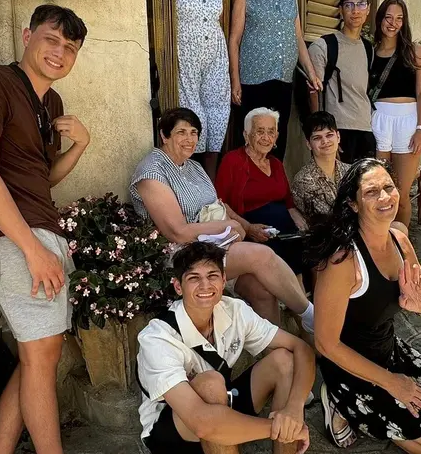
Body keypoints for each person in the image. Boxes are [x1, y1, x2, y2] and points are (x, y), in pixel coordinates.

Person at [0, 5, 127, 454]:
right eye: (52, 39)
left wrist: (81, 146)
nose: (59, 52)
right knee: (42, 357)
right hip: (16, 238)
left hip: (36, 228)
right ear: (28, 35)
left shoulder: (48, 101)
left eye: (71, 48)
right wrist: (32, 249)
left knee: (39, 358)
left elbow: (41, 180)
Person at [137, 242, 337, 454]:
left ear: (222, 279)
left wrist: (294, 410)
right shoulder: (157, 337)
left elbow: (300, 349)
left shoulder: (233, 310)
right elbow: (202, 421)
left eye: (213, 276)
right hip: (174, 436)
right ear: (177, 286)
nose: (206, 286)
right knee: (209, 384)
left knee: (283, 360)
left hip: (222, 405)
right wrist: (279, 429)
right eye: (194, 278)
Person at [306, 159, 421, 454]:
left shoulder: (399, 240)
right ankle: (342, 405)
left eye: (388, 187)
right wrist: (393, 383)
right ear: (354, 204)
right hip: (352, 369)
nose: (385, 197)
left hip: (390, 352)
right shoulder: (343, 260)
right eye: (371, 192)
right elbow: (325, 344)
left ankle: (391, 416)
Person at [130, 107, 316, 328]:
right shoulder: (152, 171)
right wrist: (228, 225)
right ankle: (310, 315)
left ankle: (275, 355)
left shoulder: (194, 167)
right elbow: (176, 232)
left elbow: (218, 204)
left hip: (214, 243)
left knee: (262, 289)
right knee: (262, 255)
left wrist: (240, 226)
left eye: (194, 133)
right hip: (178, 254)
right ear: (164, 135)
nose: (189, 139)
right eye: (181, 132)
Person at [228, 0, 322, 161]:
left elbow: (298, 38)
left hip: (282, 81)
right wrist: (235, 80)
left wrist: (311, 72)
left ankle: (273, 190)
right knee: (252, 139)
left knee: (276, 141)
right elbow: (234, 39)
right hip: (253, 81)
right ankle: (250, 193)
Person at [215, 107, 308, 276]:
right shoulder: (232, 161)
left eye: (271, 132)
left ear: (277, 137)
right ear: (246, 135)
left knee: (303, 247)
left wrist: (301, 225)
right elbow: (221, 203)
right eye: (260, 131)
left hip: (283, 234)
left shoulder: (276, 164)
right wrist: (248, 227)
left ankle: (301, 301)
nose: (266, 138)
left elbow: (288, 202)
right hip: (252, 233)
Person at [175, 0, 231, 180]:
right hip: (184, 55)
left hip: (215, 57)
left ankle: (210, 188)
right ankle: (187, 184)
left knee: (217, 117)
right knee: (190, 119)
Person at [368, 0, 421, 227]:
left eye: (399, 18)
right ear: (380, 19)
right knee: (379, 191)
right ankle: (381, 244)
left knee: (401, 194)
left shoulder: (415, 52)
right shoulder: (370, 52)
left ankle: (402, 248)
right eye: (388, 17)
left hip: (408, 122)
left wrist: (420, 129)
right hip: (379, 122)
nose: (393, 23)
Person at [307, 0, 375, 163]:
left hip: (366, 129)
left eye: (361, 4)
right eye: (349, 5)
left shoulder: (369, 49)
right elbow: (313, 93)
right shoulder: (325, 46)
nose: (355, 11)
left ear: (368, 9)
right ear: (341, 10)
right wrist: (324, 136)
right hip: (338, 130)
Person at [291, 112, 350, 227]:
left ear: (338, 137)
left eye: (329, 135)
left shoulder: (351, 172)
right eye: (317, 137)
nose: (325, 141)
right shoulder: (303, 181)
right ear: (308, 144)